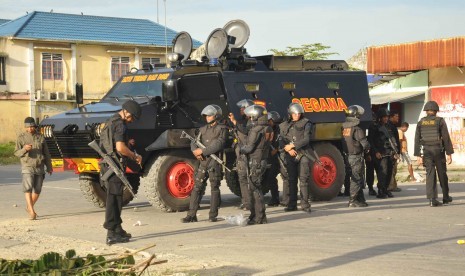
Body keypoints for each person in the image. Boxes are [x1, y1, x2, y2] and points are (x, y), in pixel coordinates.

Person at [99, 100, 142, 245]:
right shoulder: (120, 124)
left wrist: (126, 142)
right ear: (127, 112)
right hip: (114, 165)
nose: (131, 121)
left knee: (116, 198)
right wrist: (134, 156)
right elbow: (120, 148)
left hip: (108, 164)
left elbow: (111, 142)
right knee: (114, 199)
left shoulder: (110, 120)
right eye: (132, 118)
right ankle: (111, 232)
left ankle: (117, 228)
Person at [182, 104, 227, 222]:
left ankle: (213, 215)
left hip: (214, 162)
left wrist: (203, 151)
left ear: (216, 116)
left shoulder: (222, 129)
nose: (207, 117)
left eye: (210, 115)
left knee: (214, 188)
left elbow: (219, 144)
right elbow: (194, 141)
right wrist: (195, 152)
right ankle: (191, 215)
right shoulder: (202, 129)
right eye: (206, 116)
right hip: (203, 162)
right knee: (197, 187)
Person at [414, 101, 454, 207]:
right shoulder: (439, 121)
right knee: (442, 174)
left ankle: (432, 199)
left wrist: (418, 154)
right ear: (436, 111)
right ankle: (446, 197)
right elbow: (446, 137)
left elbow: (417, 139)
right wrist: (449, 153)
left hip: (426, 151)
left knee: (430, 174)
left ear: (426, 111)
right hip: (438, 151)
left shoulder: (421, 122)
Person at [14, 117, 53, 220]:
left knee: (38, 189)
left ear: (35, 126)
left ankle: (29, 207)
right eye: (28, 127)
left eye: (32, 126)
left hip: (39, 166)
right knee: (28, 188)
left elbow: (47, 153)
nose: (30, 128)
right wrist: (24, 149)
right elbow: (16, 153)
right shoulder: (21, 137)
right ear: (25, 127)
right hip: (27, 166)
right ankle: (31, 211)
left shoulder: (40, 137)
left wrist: (49, 167)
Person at [240, 105, 272, 224]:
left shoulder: (256, 130)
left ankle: (259, 217)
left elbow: (249, 147)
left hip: (255, 161)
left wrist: (241, 149)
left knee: (254, 188)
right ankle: (255, 215)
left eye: (251, 116)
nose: (250, 119)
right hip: (262, 160)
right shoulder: (268, 128)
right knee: (255, 187)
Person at [279, 102, 312, 212]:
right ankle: (292, 204)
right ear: (290, 114)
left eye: (298, 113)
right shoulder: (284, 125)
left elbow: (306, 139)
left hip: (303, 154)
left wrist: (293, 146)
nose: (297, 115)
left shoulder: (306, 123)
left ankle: (305, 205)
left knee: (303, 180)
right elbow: (282, 140)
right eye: (294, 114)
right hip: (290, 155)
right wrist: (288, 149)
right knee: (291, 180)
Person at [341, 105, 370, 207]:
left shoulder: (344, 127)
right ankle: (352, 200)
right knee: (356, 179)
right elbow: (364, 143)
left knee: (355, 178)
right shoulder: (357, 129)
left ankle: (360, 199)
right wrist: (368, 149)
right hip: (356, 156)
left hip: (347, 156)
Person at [368, 108, 400, 199]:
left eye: (387, 117)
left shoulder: (389, 126)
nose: (386, 119)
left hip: (390, 153)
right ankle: (381, 191)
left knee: (389, 172)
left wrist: (396, 152)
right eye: (384, 117)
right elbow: (370, 141)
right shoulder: (374, 127)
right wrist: (375, 152)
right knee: (383, 173)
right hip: (381, 153)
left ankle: (386, 189)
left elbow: (394, 140)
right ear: (380, 117)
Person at [228, 99, 254, 211]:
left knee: (249, 179)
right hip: (241, 155)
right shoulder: (244, 120)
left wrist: (235, 122)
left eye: (243, 108)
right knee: (242, 178)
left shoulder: (252, 121)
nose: (241, 110)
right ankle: (246, 202)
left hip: (248, 155)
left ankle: (250, 203)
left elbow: (246, 131)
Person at [262, 111, 288, 207]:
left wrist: (277, 149)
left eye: (269, 120)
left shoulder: (281, 129)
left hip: (282, 156)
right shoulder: (268, 130)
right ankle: (275, 199)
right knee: (270, 178)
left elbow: (285, 141)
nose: (267, 122)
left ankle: (286, 200)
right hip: (273, 158)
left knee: (286, 177)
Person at [387, 111, 401, 192]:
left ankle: (393, 185)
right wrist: (395, 152)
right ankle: (390, 186)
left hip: (395, 151)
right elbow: (392, 141)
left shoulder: (392, 126)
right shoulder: (389, 126)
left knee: (394, 170)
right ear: (391, 117)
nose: (397, 118)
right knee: (392, 169)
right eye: (396, 116)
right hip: (392, 151)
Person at [366, 111, 377, 196]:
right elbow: (368, 141)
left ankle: (371, 188)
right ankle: (370, 188)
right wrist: (368, 154)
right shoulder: (369, 127)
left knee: (371, 171)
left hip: (374, 152)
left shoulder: (373, 126)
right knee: (370, 171)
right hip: (371, 152)